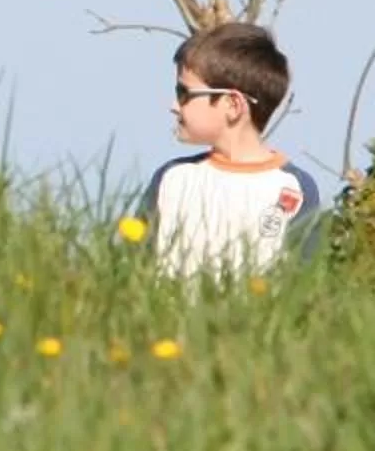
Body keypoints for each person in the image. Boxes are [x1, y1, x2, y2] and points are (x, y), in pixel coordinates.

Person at [133, 20, 327, 278]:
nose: (173, 106)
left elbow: (303, 285)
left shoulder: (294, 189)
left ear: (233, 105)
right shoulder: (171, 179)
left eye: (184, 93)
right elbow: (131, 269)